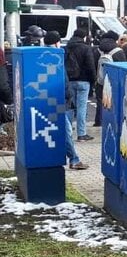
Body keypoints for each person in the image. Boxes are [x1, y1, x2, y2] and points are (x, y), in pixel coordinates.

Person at [46, 31, 88, 170]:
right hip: (59, 101)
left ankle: (71, 158)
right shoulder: (57, 57)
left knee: (62, 130)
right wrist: (67, 96)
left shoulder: (42, 55)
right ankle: (74, 160)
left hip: (47, 99)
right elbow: (63, 81)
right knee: (66, 130)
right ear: (57, 42)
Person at [64, 26, 97, 142]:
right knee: (82, 107)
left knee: (70, 106)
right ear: (83, 37)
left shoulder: (67, 47)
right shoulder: (86, 48)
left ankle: (67, 130)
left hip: (70, 80)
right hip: (84, 80)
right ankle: (81, 133)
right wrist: (93, 80)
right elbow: (90, 66)